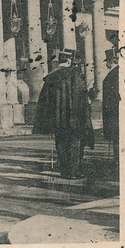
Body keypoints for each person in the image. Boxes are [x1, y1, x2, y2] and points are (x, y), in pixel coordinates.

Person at [33, 49, 94, 179]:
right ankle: (73, 172)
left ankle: (64, 171)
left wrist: (47, 120)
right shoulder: (74, 75)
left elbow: (44, 101)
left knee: (60, 143)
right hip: (73, 118)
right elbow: (80, 97)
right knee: (74, 143)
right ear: (68, 60)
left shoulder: (51, 77)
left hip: (57, 120)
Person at [102, 60, 119, 165]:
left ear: (111, 61)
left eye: (106, 61)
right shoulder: (115, 72)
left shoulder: (113, 74)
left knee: (116, 137)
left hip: (113, 113)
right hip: (115, 112)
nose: (105, 64)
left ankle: (118, 160)